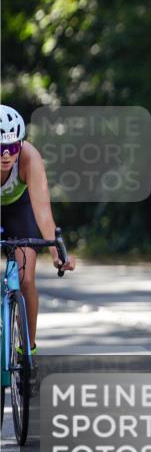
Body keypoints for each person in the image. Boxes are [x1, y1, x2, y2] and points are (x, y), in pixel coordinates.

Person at [0, 105, 77, 356]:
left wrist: (57, 253)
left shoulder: (29, 158)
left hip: (19, 210)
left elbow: (43, 212)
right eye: (0, 148)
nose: (6, 155)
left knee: (26, 279)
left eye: (13, 147)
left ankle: (27, 351)